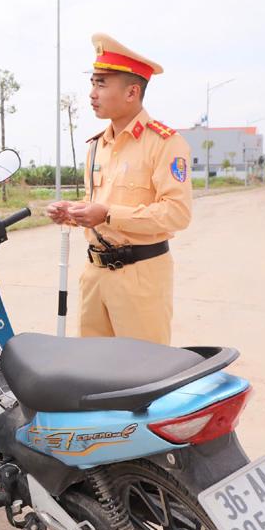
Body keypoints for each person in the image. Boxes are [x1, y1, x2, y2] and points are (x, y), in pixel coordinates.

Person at [47, 33, 192, 345]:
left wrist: (108, 214)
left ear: (132, 92)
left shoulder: (165, 143)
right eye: (92, 83)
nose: (92, 94)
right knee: (92, 366)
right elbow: (97, 203)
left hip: (140, 276)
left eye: (101, 84)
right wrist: (72, 213)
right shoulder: (96, 145)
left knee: (143, 367)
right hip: (95, 274)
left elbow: (177, 214)